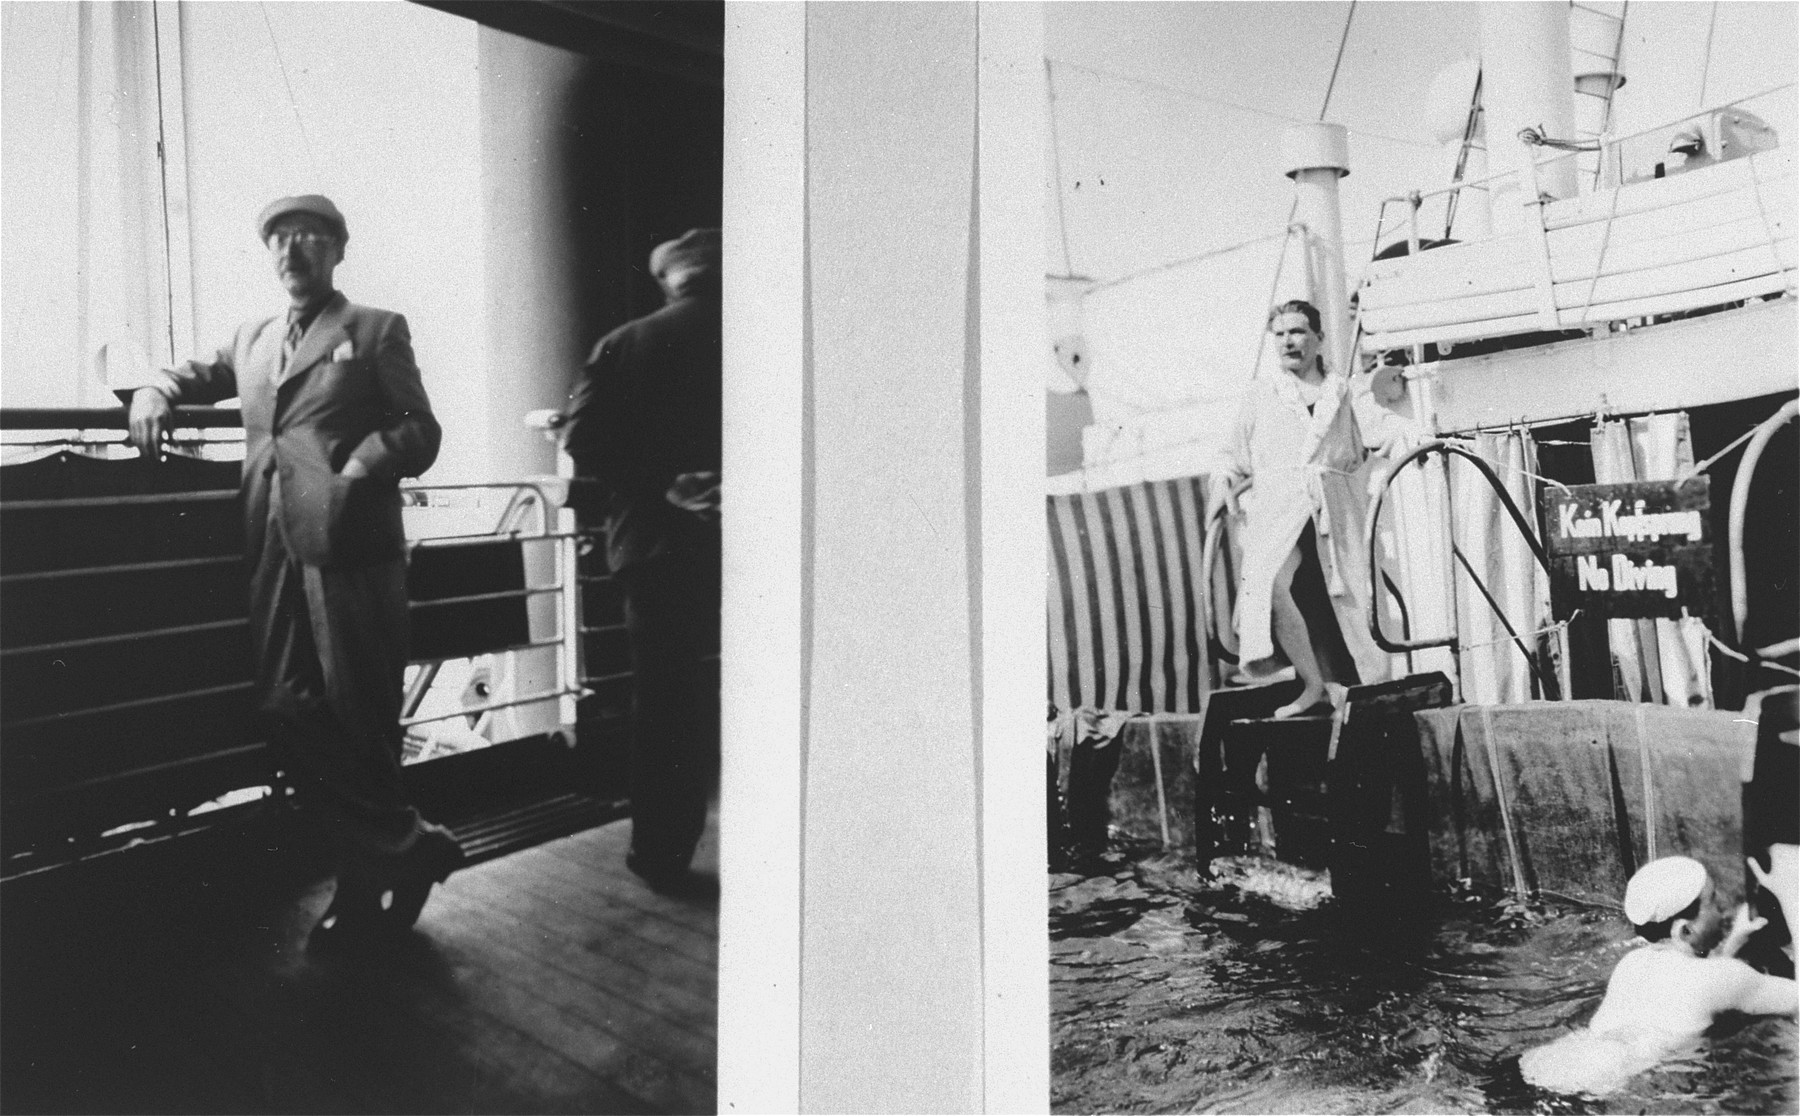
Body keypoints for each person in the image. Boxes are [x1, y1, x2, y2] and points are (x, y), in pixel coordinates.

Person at [124, 194, 460, 935]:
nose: (291, 249)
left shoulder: (374, 330)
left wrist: (362, 467)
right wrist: (153, 389)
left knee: (360, 713)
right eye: (277, 238)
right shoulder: (250, 338)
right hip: (271, 543)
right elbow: (188, 374)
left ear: (338, 248)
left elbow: (420, 429)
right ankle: (410, 842)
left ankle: (360, 884)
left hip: (353, 547)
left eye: (308, 235)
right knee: (286, 705)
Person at [560, 227, 721, 894]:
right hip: (763, 539)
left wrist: (664, 484)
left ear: (668, 280)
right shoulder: (773, 332)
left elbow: (583, 441)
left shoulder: (626, 343)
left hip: (658, 545)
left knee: (666, 704)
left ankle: (661, 852)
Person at [1212, 300, 1416, 718]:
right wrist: (1222, 481)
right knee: (1269, 585)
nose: (1289, 341)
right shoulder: (1260, 394)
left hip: (1334, 508)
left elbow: (1382, 426)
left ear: (1318, 338)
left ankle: (1364, 685)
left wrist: (1418, 438)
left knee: (1349, 600)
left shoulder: (1344, 390)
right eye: (1281, 333)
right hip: (1278, 507)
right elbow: (1230, 455)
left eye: (1299, 331)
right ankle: (1313, 684)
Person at [1519, 854, 1799, 1096]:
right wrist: (1792, 896)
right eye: (1712, 901)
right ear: (1684, 930)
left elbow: (1696, 987)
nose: (1722, 908)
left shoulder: (1632, 963)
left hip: (1557, 1064)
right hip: (1607, 1082)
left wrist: (1734, 943)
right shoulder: (1721, 977)